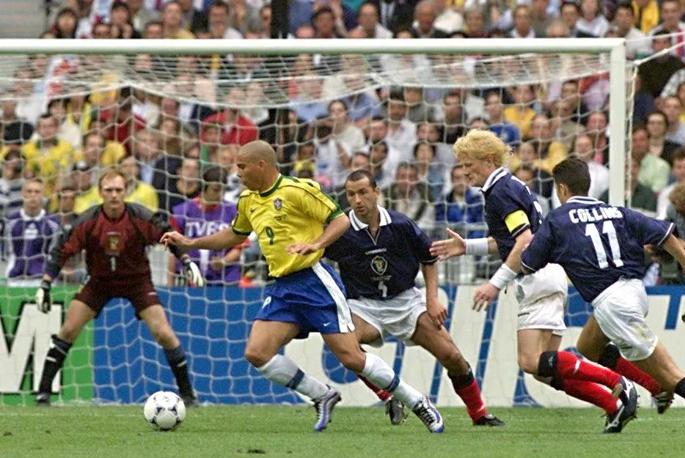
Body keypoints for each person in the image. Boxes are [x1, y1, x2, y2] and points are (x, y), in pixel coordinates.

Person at [161, 140, 444, 433]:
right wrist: (191, 243)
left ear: (262, 165)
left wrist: (316, 244)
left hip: (314, 281)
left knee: (351, 357)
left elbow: (340, 221)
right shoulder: (248, 200)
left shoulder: (298, 190)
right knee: (257, 352)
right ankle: (322, 394)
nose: (238, 173)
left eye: (242, 167)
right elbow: (235, 234)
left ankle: (417, 401)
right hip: (282, 287)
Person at [519, 158, 685, 443]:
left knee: (673, 375)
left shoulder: (558, 220)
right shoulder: (616, 211)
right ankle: (654, 387)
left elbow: (528, 263)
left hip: (613, 304)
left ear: (561, 189)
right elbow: (665, 232)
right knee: (588, 345)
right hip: (634, 291)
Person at [430, 130, 638, 433]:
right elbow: (512, 239)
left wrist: (495, 283)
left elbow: (525, 241)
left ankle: (617, 381)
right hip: (550, 274)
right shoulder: (508, 186)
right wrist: (468, 247)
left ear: (488, 160)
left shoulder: (500, 192)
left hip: (537, 277)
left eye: (468, 164)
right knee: (547, 371)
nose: (464, 171)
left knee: (530, 361)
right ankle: (613, 406)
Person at [325, 170, 503, 427]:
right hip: (364, 306)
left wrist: (432, 299)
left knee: (452, 356)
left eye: (363, 192)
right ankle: (388, 394)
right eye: (351, 195)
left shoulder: (400, 224)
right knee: (345, 347)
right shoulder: (341, 231)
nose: (357, 200)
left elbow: (428, 258)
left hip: (406, 302)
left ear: (377, 191)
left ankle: (479, 414)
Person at [34, 169, 204, 406]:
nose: (114, 195)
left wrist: (186, 262)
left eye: (118, 190)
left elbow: (168, 234)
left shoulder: (139, 216)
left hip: (137, 281)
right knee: (69, 329)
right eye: (109, 190)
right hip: (98, 282)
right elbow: (61, 250)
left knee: (164, 333)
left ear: (125, 192)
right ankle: (43, 394)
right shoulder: (88, 221)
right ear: (100, 192)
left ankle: (188, 395)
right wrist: (45, 284)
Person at [169, 165, 242, 286]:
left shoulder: (233, 211)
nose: (220, 194)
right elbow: (173, 249)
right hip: (189, 279)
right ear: (204, 187)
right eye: (216, 189)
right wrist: (170, 284)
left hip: (225, 280)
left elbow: (239, 247)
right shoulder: (182, 212)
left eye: (223, 190)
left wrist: (224, 261)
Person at [5, 178, 59, 285]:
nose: (33, 195)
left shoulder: (53, 223)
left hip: (43, 278)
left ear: (43, 195)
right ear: (22, 194)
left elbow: (55, 253)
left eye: (37, 192)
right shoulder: (10, 221)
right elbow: (7, 251)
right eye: (29, 191)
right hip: (15, 279)